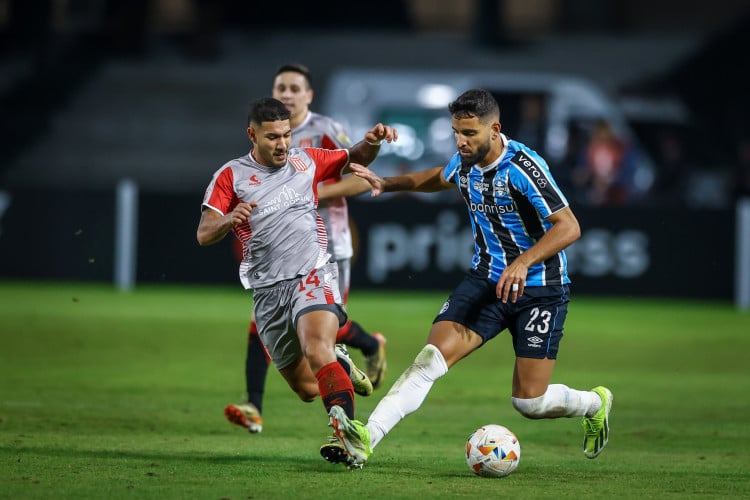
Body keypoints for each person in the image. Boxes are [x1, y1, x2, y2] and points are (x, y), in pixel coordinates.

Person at [319, 89, 613, 468]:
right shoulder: (466, 162)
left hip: (541, 290)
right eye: (457, 131)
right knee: (428, 361)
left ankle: (594, 403)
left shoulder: (523, 167)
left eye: (470, 133)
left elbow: (569, 226)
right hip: (486, 281)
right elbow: (437, 178)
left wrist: (523, 262)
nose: (461, 140)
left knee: (529, 402)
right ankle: (365, 439)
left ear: (495, 129)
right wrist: (386, 183)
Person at [197, 97, 397, 438]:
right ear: (252, 135)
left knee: (317, 349)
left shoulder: (307, 160)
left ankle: (347, 434)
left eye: (287, 135)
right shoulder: (231, 176)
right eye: (273, 137)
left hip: (312, 276)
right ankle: (341, 365)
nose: (282, 144)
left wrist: (373, 142)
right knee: (306, 388)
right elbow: (204, 233)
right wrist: (229, 219)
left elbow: (355, 157)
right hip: (267, 293)